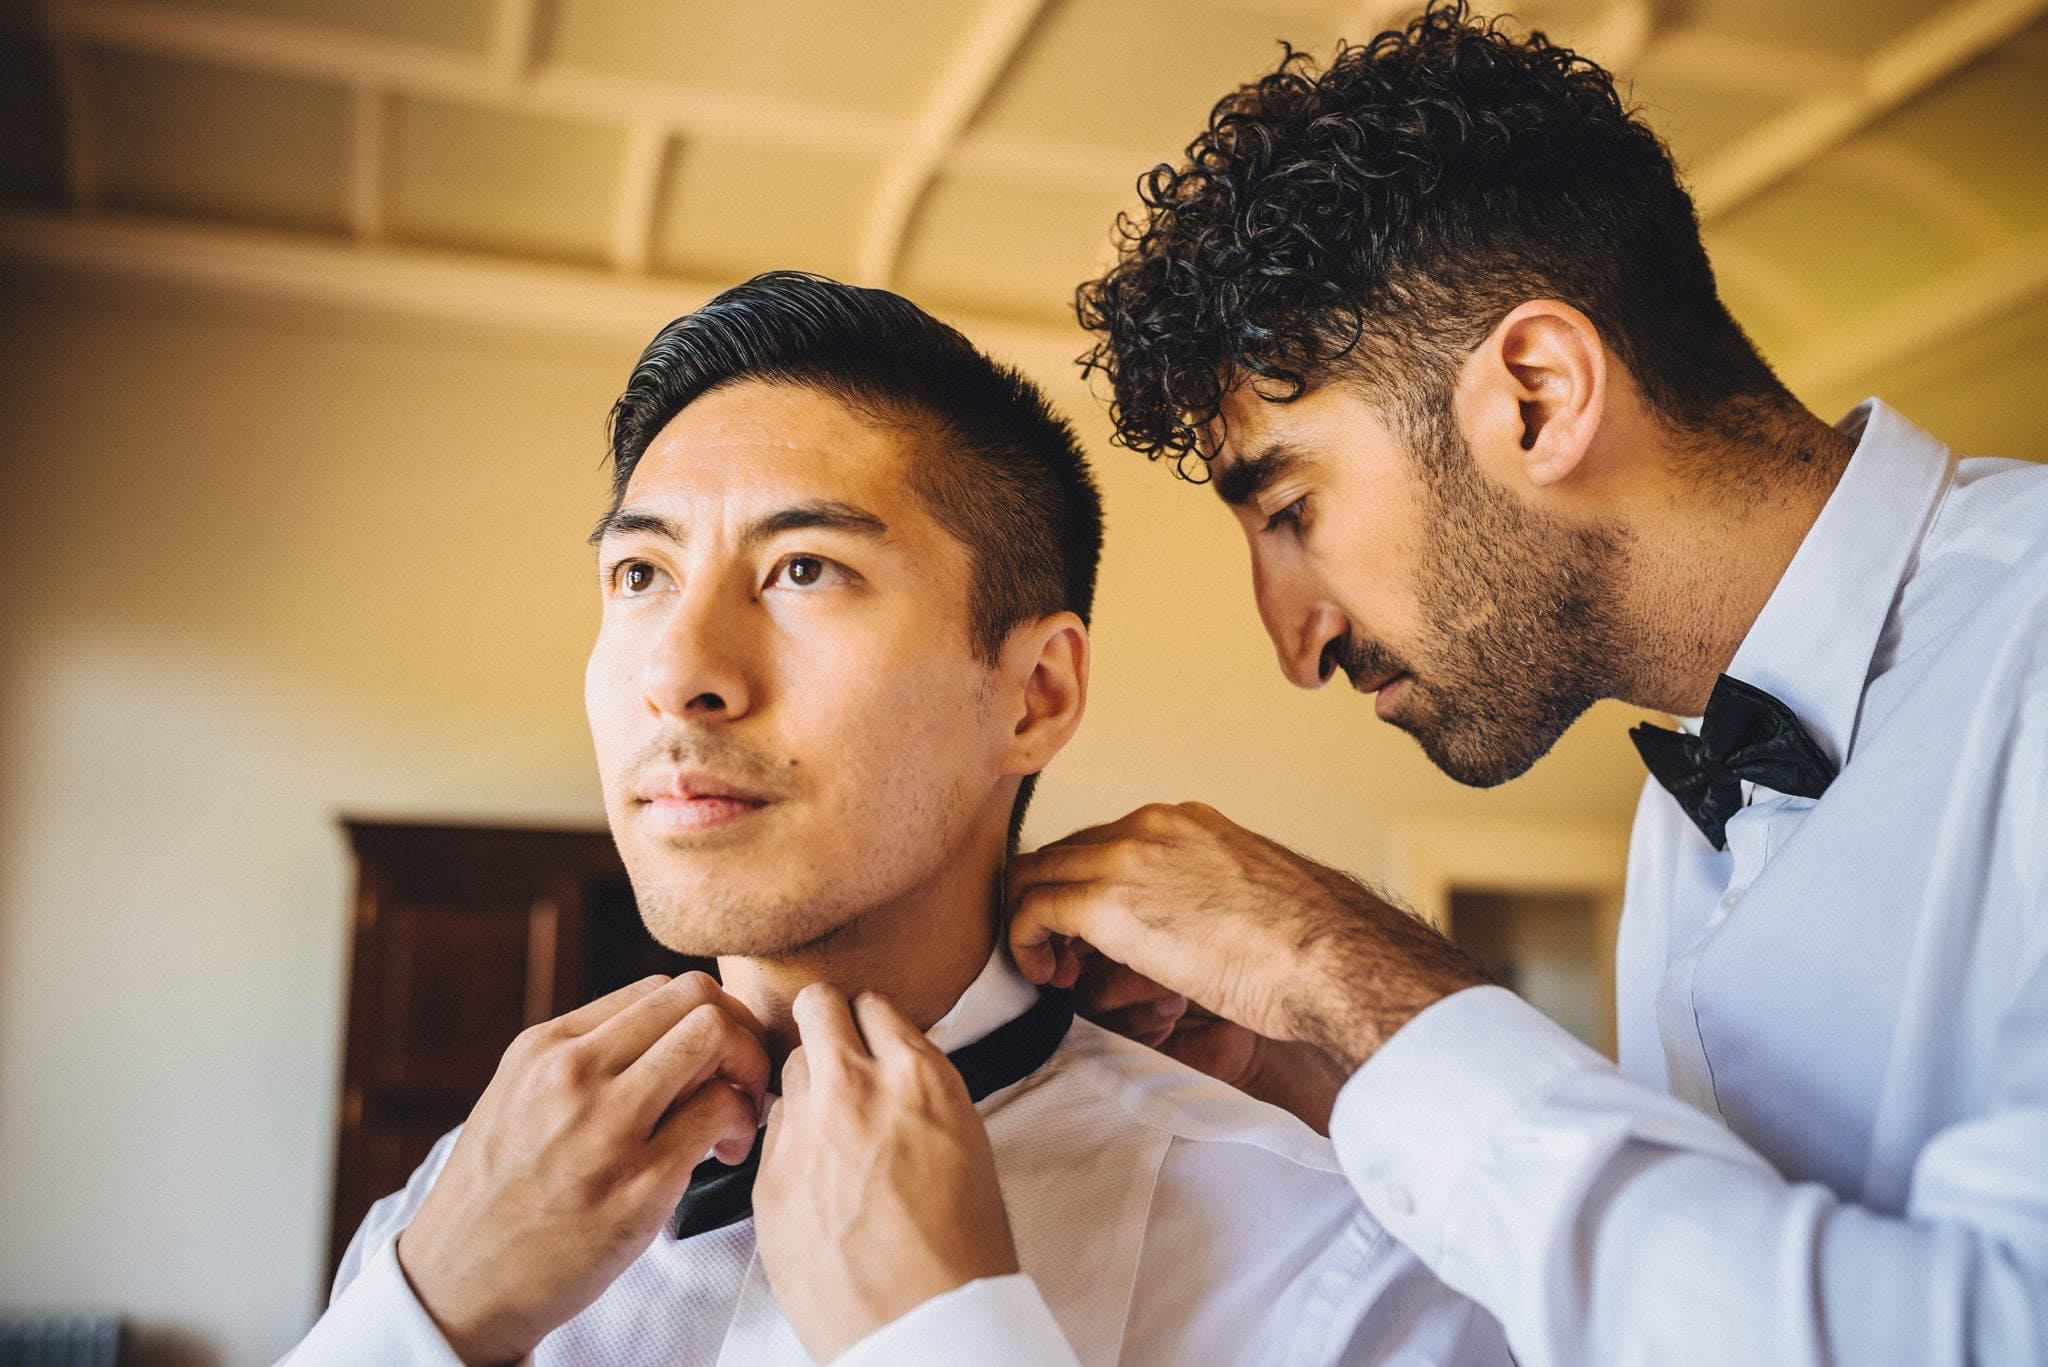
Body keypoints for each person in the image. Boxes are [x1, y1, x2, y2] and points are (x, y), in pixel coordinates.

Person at [756, 7, 2048, 1365]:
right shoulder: (1688, 809)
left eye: (1292, 508)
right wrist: (1344, 1076)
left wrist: (1358, 973)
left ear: (1537, 397)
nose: (1294, 640)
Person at [283, 273, 1507, 1365]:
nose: (678, 672)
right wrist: (423, 1319)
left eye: (803, 568)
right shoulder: (452, 1215)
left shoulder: (1330, 1273)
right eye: (640, 574)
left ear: (1035, 694)